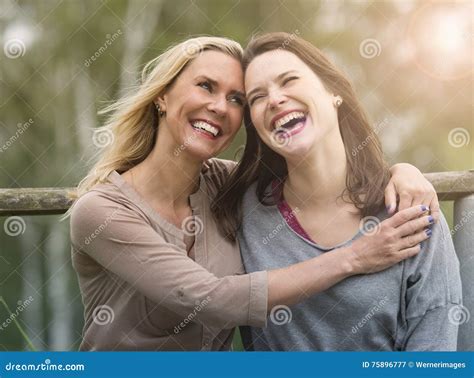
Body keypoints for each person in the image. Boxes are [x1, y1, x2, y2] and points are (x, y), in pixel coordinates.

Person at [69, 36, 439, 351]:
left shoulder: (227, 186)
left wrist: (401, 172)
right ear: (162, 97)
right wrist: (355, 257)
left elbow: (313, 170)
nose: (219, 108)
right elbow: (207, 300)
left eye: (237, 100)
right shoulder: (100, 212)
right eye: (206, 86)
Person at [212, 33, 462, 351]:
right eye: (257, 97)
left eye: (289, 80)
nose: (274, 100)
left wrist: (405, 170)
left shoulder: (409, 208)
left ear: (333, 92)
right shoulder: (242, 210)